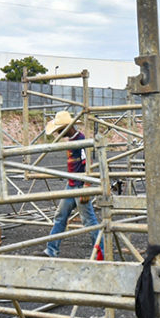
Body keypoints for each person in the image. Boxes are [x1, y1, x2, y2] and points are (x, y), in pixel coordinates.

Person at [43, 110, 101, 258]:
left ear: (68, 128)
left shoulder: (80, 140)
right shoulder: (72, 140)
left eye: (60, 130)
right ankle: (51, 249)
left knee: (89, 221)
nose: (59, 134)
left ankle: (101, 253)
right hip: (72, 184)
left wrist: (86, 187)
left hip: (80, 186)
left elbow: (88, 162)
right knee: (60, 216)